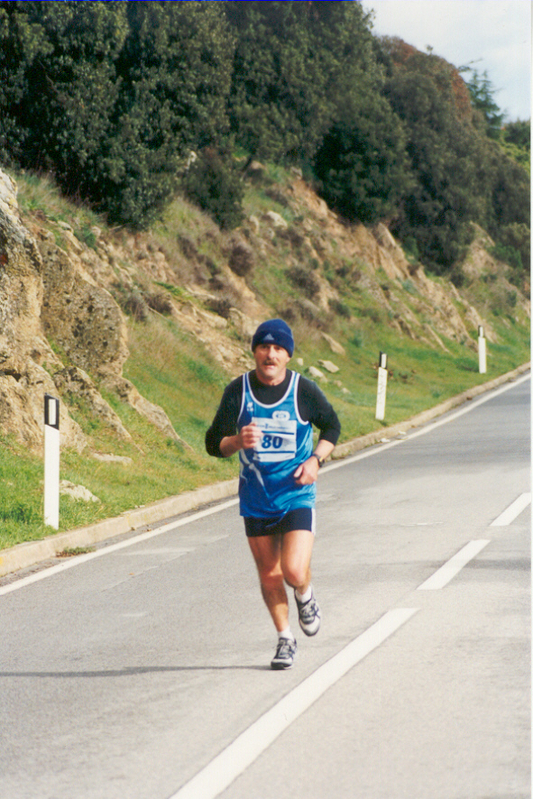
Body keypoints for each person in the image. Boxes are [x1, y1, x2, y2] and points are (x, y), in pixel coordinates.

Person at [205, 318, 341, 669]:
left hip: (296, 494)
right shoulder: (238, 392)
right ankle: (285, 639)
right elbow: (212, 442)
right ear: (254, 352)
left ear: (287, 356)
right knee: (269, 574)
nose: (270, 354)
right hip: (256, 498)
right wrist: (236, 441)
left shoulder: (303, 390)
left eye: (278, 348)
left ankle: (305, 595)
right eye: (264, 347)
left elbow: (332, 426)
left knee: (293, 570)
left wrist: (315, 460)